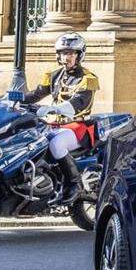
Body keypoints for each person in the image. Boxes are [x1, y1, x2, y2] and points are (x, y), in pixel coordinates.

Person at [27, 32, 99, 203]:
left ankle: (74, 184)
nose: (67, 57)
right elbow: (35, 95)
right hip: (53, 126)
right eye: (64, 53)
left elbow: (78, 103)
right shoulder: (54, 76)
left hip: (77, 127)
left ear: (80, 55)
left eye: (72, 53)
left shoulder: (88, 79)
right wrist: (6, 99)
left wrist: (53, 109)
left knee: (55, 144)